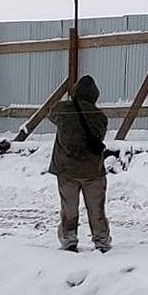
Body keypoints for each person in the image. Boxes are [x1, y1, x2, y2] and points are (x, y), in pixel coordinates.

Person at [48, 75, 111, 253]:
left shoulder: (63, 110)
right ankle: (102, 241)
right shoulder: (99, 117)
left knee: (69, 207)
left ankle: (69, 239)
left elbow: (50, 114)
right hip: (93, 171)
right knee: (96, 209)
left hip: (66, 170)